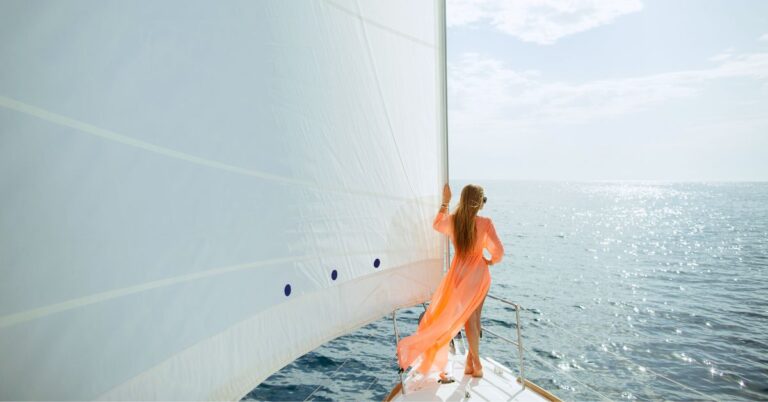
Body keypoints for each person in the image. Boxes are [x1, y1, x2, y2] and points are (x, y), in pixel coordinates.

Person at [396, 183, 505, 382]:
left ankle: (472, 363)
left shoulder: (454, 221)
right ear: (478, 203)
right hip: (480, 274)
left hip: (460, 275)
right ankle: (475, 364)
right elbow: (498, 251)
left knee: (470, 319)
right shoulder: (485, 223)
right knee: (474, 319)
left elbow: (437, 223)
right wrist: (491, 261)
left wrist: (446, 201)